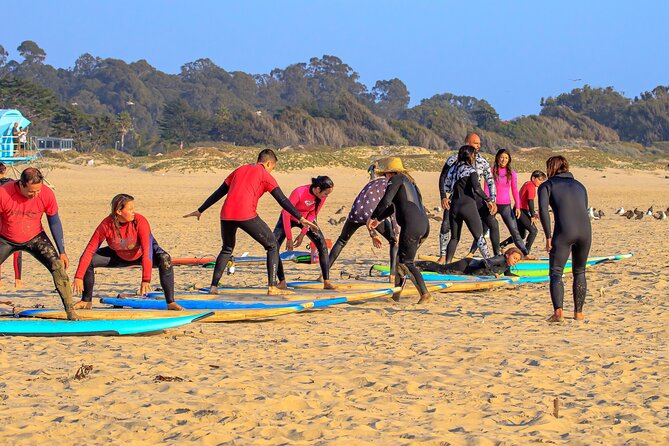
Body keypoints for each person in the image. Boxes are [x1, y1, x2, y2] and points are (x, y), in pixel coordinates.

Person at [183, 149, 318, 295]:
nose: (271, 171)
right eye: (272, 168)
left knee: (227, 248)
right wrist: (300, 218)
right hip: (246, 214)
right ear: (268, 163)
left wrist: (201, 209)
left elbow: (220, 192)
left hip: (226, 215)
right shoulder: (265, 175)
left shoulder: (239, 169)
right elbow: (282, 199)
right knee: (272, 245)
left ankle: (213, 287)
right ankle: (272, 286)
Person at [72, 194, 184, 311]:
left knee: (165, 258)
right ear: (119, 211)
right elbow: (89, 250)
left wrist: (146, 279)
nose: (133, 212)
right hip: (118, 254)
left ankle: (170, 302)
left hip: (141, 255)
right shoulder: (106, 225)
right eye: (130, 209)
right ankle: (86, 300)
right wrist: (78, 277)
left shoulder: (140, 221)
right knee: (88, 260)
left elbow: (147, 251)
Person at [0, 168, 78, 320]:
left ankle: (71, 311)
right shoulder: (4, 193)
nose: (35, 195)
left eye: (38, 191)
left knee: (57, 266)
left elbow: (54, 222)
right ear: (21, 184)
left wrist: (62, 251)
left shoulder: (47, 194)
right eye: (31, 192)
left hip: (35, 237)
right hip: (6, 238)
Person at [367, 157, 431, 304]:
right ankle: (396, 295)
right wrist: (379, 219)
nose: (385, 178)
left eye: (385, 175)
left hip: (412, 226)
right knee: (399, 261)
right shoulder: (410, 183)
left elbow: (385, 201)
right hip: (423, 225)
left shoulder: (395, 179)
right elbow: (392, 207)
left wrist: (373, 216)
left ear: (390, 173)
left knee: (406, 262)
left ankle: (425, 294)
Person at [538, 156, 591, 322]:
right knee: (580, 271)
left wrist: (548, 236)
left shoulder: (547, 185)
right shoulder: (580, 186)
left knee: (556, 272)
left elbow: (543, 211)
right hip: (585, 231)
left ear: (551, 168)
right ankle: (579, 313)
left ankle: (558, 313)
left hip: (564, 232)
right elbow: (583, 208)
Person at [440, 133, 499, 263]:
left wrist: (446, 193)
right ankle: (491, 263)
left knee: (455, 237)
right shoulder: (467, 167)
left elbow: (448, 184)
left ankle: (447, 264)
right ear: (468, 148)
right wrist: (489, 200)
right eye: (476, 144)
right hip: (468, 202)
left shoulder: (456, 169)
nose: (479, 146)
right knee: (479, 236)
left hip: (456, 203)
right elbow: (477, 188)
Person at [329, 173, 399, 282]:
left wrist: (372, 233)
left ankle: (323, 274)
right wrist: (396, 232)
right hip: (371, 215)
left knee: (341, 240)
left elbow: (364, 201)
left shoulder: (374, 182)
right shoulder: (392, 185)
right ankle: (393, 276)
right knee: (394, 241)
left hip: (355, 212)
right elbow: (392, 208)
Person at [274, 176, 335, 290]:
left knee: (322, 245)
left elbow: (313, 214)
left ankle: (326, 281)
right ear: (317, 189)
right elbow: (286, 214)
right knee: (273, 246)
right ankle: (281, 281)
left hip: (307, 219)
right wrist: (289, 238)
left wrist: (302, 234)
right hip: (288, 217)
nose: (326, 196)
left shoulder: (321, 197)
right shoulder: (299, 192)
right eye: (325, 193)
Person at [489, 149, 530, 256]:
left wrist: (518, 206)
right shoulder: (491, 171)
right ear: (497, 158)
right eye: (502, 157)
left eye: (506, 158)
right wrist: (488, 202)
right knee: (484, 229)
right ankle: (471, 252)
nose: (503, 160)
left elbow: (515, 190)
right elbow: (486, 187)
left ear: (509, 160)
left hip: (506, 205)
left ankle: (525, 253)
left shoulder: (511, 173)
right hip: (493, 204)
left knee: (514, 231)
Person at [501, 170, 546, 253]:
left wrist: (533, 212)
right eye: (539, 179)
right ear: (533, 178)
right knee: (533, 231)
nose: (541, 182)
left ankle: (501, 245)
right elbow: (530, 201)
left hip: (518, 210)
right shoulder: (531, 186)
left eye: (542, 180)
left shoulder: (527, 184)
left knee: (521, 235)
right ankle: (526, 252)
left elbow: (525, 200)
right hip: (520, 211)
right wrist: (532, 215)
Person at [416, 247, 523, 277]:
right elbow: (485, 262)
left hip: (469, 271)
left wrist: (520, 278)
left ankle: (421, 268)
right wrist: (493, 273)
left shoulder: (507, 265)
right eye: (514, 258)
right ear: (507, 255)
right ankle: (417, 265)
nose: (515, 261)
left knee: (442, 271)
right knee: (441, 269)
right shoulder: (500, 259)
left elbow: (507, 274)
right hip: (466, 265)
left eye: (517, 260)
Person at [0, 162, 23, 287]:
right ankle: (18, 280)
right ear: (4, 171)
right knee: (17, 249)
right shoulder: (11, 183)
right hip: (11, 217)